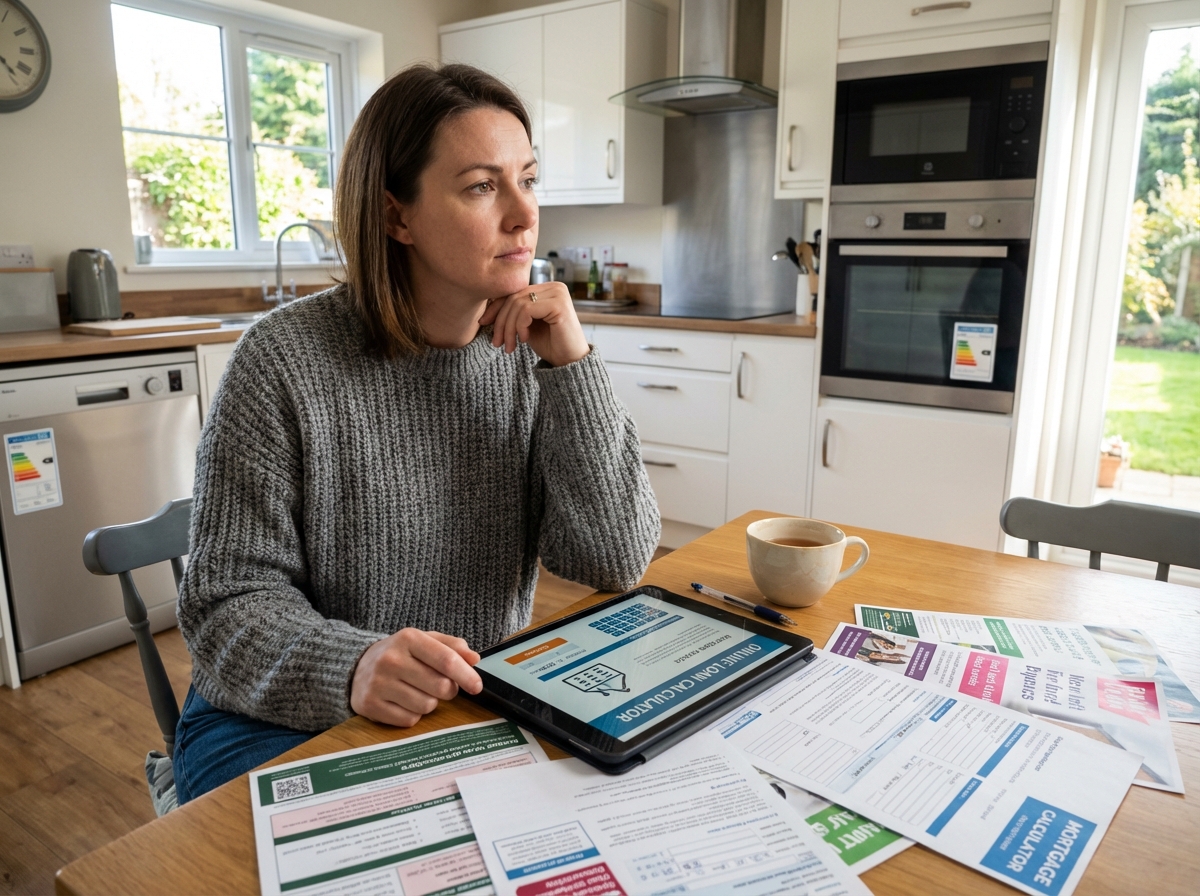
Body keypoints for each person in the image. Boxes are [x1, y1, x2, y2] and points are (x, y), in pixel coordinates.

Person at [171, 63, 661, 804]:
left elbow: (613, 559)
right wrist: (354, 665)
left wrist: (572, 367)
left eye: (528, 179)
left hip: (468, 706)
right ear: (397, 216)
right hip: (274, 713)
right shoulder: (281, 360)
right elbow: (225, 600)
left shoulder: (533, 355)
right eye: (481, 187)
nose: (524, 216)